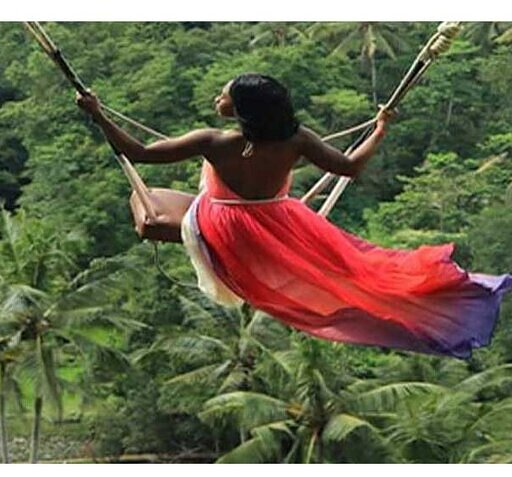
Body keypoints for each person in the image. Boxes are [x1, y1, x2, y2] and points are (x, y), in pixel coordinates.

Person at [75, 72, 511, 359]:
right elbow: (350, 167)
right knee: (360, 271)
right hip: (278, 222)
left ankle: (184, 233)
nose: (218, 97)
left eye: (225, 94)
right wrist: (378, 131)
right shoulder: (295, 139)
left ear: (241, 109)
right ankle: (458, 291)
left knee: (147, 213)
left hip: (225, 225)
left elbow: (139, 153)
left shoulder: (215, 141)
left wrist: (98, 116)